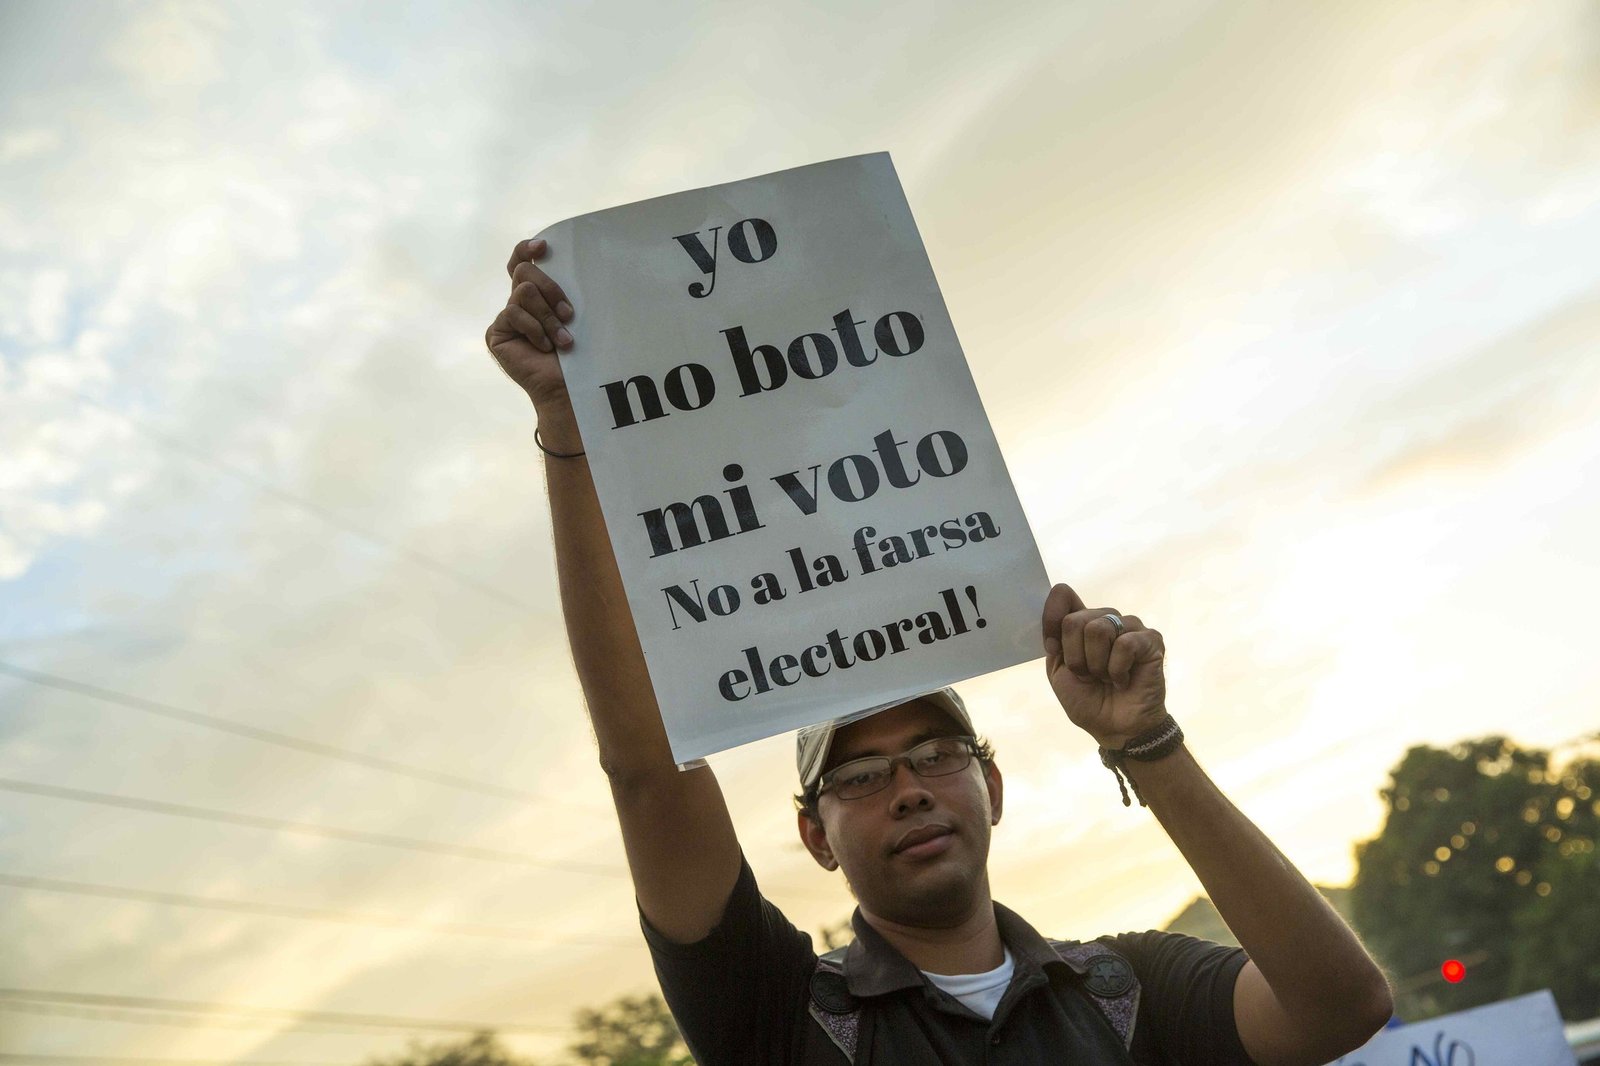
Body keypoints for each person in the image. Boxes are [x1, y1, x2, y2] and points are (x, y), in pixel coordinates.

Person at [486, 237, 1394, 1065]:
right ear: (816, 836)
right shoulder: (784, 1016)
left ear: (991, 788)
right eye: (860, 777)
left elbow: (1341, 1008)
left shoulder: (1130, 990)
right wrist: (569, 425)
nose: (911, 787)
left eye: (937, 753)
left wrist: (1146, 744)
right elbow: (648, 768)